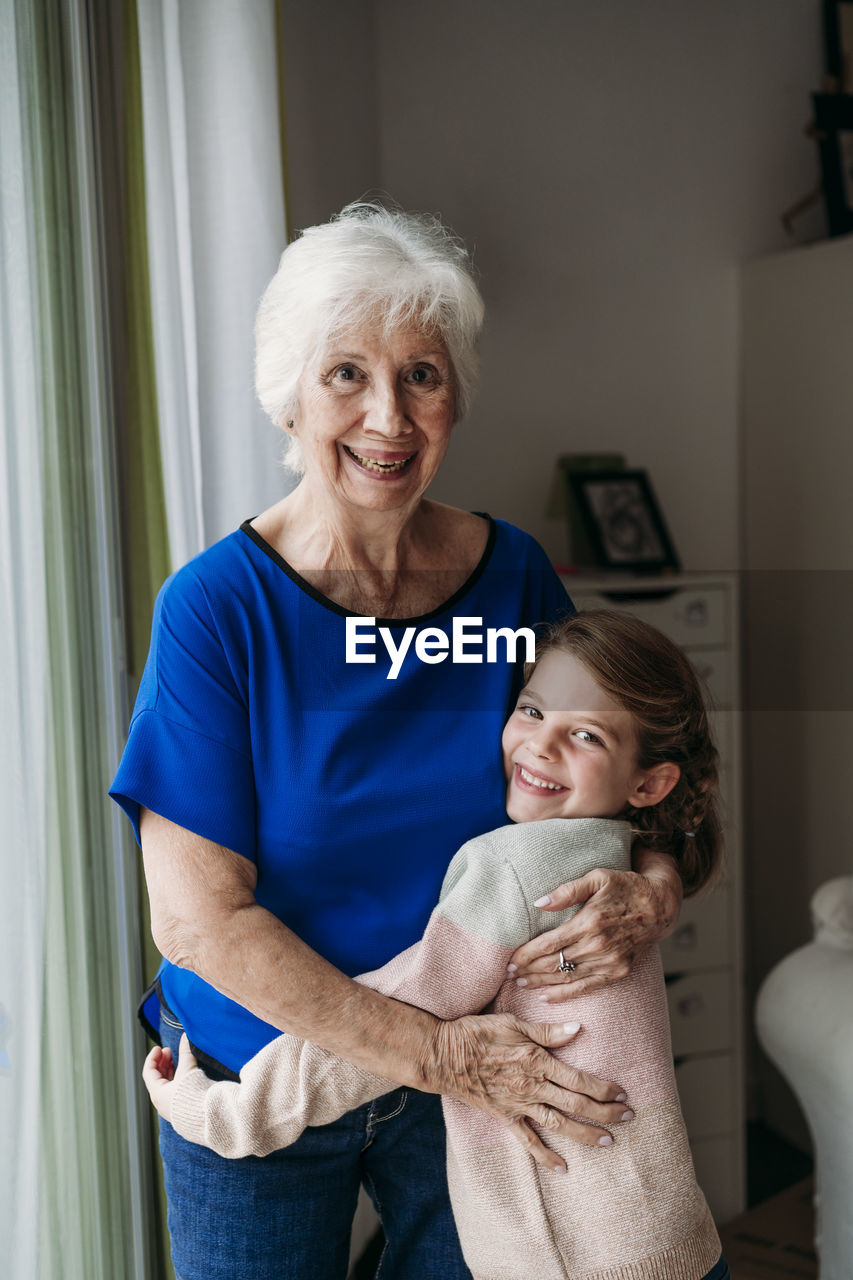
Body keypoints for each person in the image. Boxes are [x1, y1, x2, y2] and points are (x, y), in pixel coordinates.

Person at [110, 204, 686, 1280]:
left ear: (455, 394)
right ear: (288, 394)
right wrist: (432, 1051)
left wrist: (651, 886)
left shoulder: (512, 575)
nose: (389, 415)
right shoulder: (216, 609)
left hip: (462, 1074)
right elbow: (199, 919)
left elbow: (624, 779)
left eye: (421, 372)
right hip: (266, 1073)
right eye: (346, 374)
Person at [142, 610, 730, 1280]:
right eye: (531, 711)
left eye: (585, 735)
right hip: (669, 1238)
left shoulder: (515, 870)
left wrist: (222, 1114)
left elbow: (388, 1013)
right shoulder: (610, 852)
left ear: (648, 784)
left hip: (575, 1256)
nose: (542, 746)